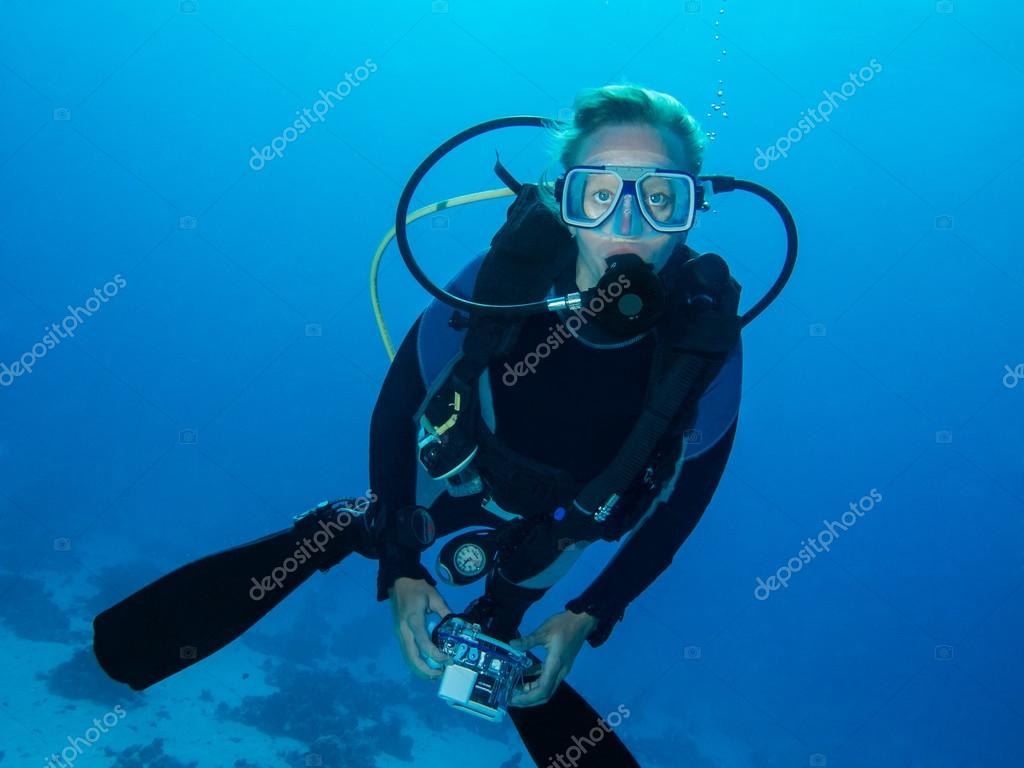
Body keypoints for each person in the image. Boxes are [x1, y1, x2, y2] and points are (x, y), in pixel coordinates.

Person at [369, 83, 743, 707]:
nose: (627, 224)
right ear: (563, 202)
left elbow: (684, 503)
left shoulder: (702, 340)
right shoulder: (500, 282)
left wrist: (591, 613)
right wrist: (398, 561)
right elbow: (396, 407)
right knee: (371, 529)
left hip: (563, 526)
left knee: (504, 618)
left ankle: (497, 621)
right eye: (599, 195)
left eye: (659, 198)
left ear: (691, 208)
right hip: (455, 472)